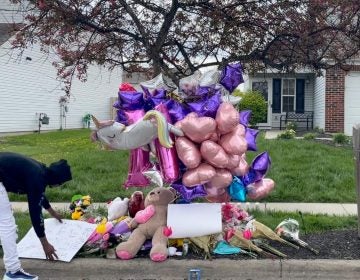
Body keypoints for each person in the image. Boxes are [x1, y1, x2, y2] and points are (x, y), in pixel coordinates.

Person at [0, 152, 72, 280]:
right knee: (7, 226)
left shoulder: (41, 170)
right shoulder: (37, 177)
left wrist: (52, 212)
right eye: (61, 183)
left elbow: (38, 194)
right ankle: (13, 272)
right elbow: (35, 212)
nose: (59, 186)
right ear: (57, 180)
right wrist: (45, 244)